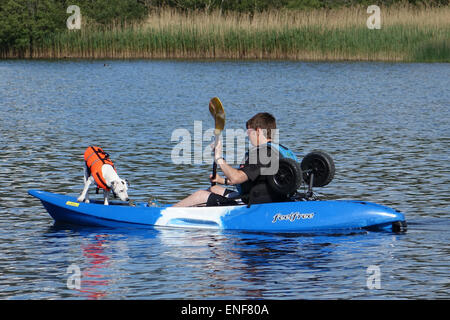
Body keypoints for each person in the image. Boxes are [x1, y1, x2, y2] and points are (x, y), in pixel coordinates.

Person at [172, 112, 298, 207]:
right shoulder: (282, 150)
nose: (247, 136)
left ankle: (165, 213)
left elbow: (237, 177)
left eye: (249, 132)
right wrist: (222, 180)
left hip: (258, 205)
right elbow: (251, 177)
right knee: (214, 189)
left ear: (258, 131)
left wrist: (219, 157)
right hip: (277, 198)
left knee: (200, 195)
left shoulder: (263, 153)